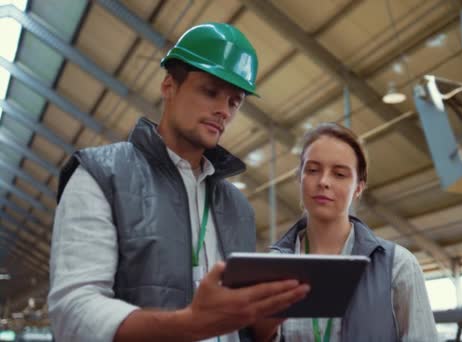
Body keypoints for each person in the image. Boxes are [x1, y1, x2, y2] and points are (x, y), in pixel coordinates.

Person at [48, 23, 308, 342]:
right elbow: (74, 313)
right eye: (210, 91)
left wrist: (266, 323)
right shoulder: (100, 175)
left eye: (234, 101)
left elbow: (243, 331)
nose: (223, 111)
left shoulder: (237, 207)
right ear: (169, 86)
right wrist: (191, 325)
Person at [263, 123, 439, 341]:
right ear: (300, 177)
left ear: (358, 187)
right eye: (313, 170)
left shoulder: (397, 266)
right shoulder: (272, 267)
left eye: (339, 174)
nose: (323, 182)